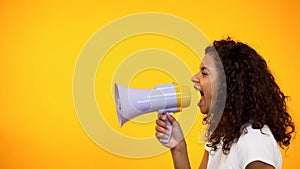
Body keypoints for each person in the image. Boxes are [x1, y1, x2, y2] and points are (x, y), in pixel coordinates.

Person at [155, 37, 295, 169]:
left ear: (227, 84)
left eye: (204, 73)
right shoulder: (220, 135)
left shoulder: (254, 142)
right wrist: (178, 147)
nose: (194, 78)